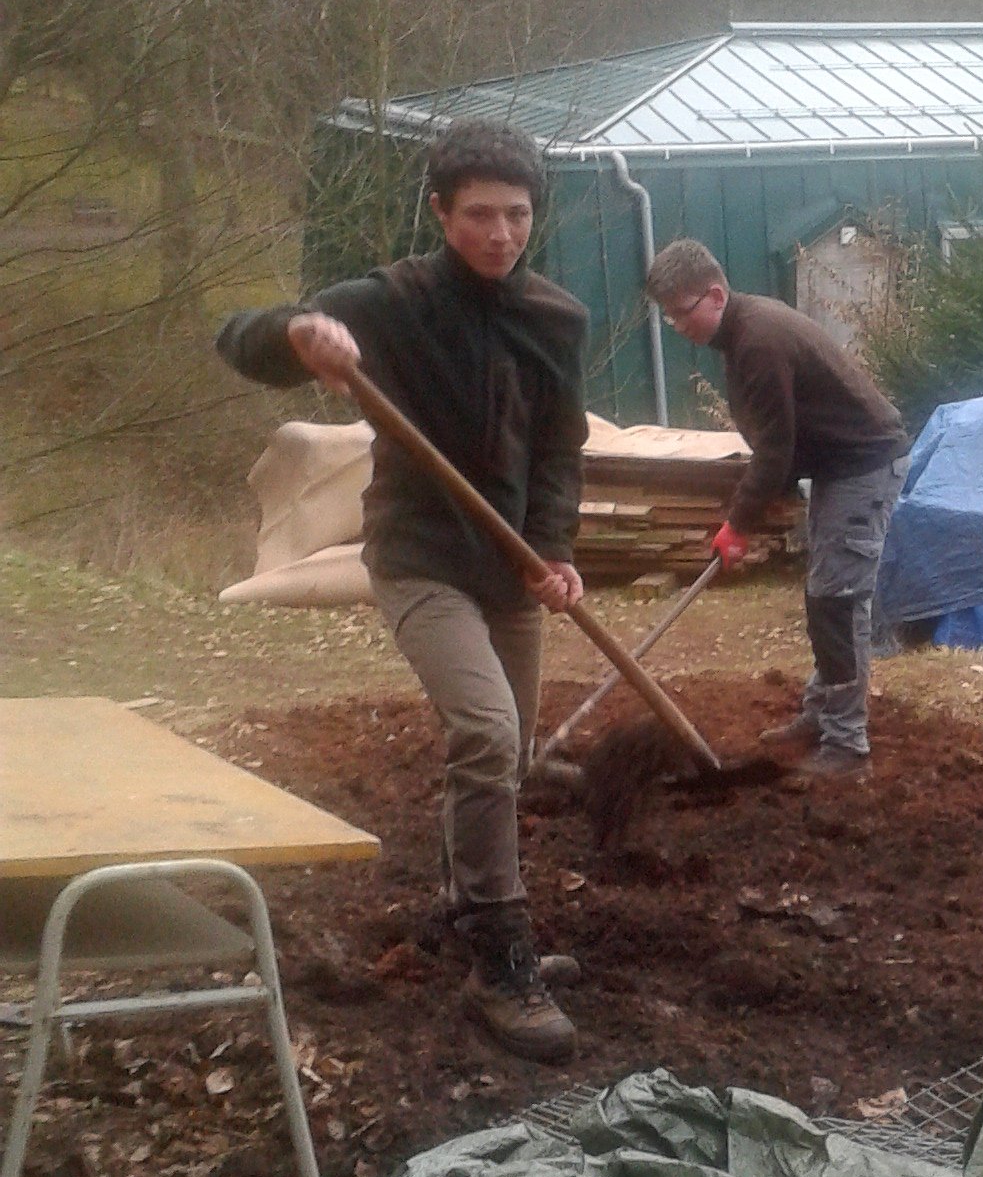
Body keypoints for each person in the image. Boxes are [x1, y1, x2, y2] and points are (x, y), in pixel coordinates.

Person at [216, 122, 587, 1060]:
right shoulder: (392, 303)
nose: (500, 234)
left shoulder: (556, 318)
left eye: (516, 215)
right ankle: (500, 960)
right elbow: (241, 336)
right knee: (487, 732)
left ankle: (469, 905)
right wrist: (298, 335)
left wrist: (551, 549)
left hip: (510, 566)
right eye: (479, 215)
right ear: (439, 213)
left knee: (508, 753)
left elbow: (559, 449)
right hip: (420, 558)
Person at [645, 239, 908, 781]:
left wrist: (738, 524)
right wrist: (756, 506)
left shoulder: (758, 340)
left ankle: (847, 743)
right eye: (668, 316)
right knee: (825, 595)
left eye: (681, 312)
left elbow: (776, 447)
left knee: (837, 604)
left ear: (715, 295)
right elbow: (779, 433)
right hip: (837, 467)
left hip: (862, 468)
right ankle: (821, 712)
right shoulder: (743, 331)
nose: (677, 326)